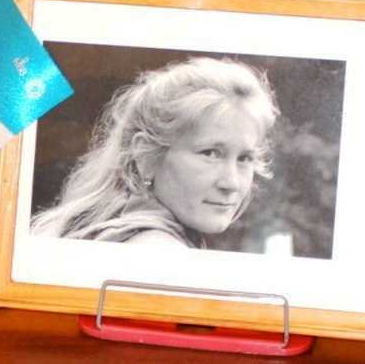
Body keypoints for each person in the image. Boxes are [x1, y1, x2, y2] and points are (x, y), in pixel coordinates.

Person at [30, 56, 279, 248]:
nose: (231, 183)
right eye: (210, 153)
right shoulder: (159, 250)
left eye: (245, 158)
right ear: (145, 155)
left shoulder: (112, 229)